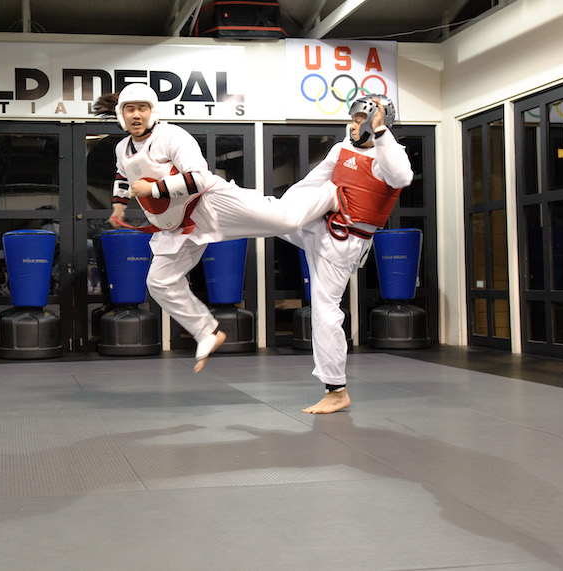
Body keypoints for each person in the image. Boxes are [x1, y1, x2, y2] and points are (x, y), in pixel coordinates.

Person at [98, 83, 338, 373]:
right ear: (121, 114)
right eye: (129, 109)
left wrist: (154, 188)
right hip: (181, 226)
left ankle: (330, 195)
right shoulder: (122, 148)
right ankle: (206, 332)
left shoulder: (171, 136)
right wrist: (119, 206)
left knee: (286, 220)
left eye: (142, 108)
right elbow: (123, 177)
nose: (136, 115)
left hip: (212, 202)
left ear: (153, 111)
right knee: (160, 282)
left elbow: (198, 178)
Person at [281, 94, 414, 414]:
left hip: (344, 244)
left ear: (375, 124)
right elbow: (309, 184)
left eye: (359, 120)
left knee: (325, 310)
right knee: (280, 212)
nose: (352, 125)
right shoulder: (340, 149)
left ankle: (336, 390)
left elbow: (402, 178)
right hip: (320, 230)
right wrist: (285, 211)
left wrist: (382, 133)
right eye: (352, 119)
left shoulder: (389, 156)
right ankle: (218, 214)